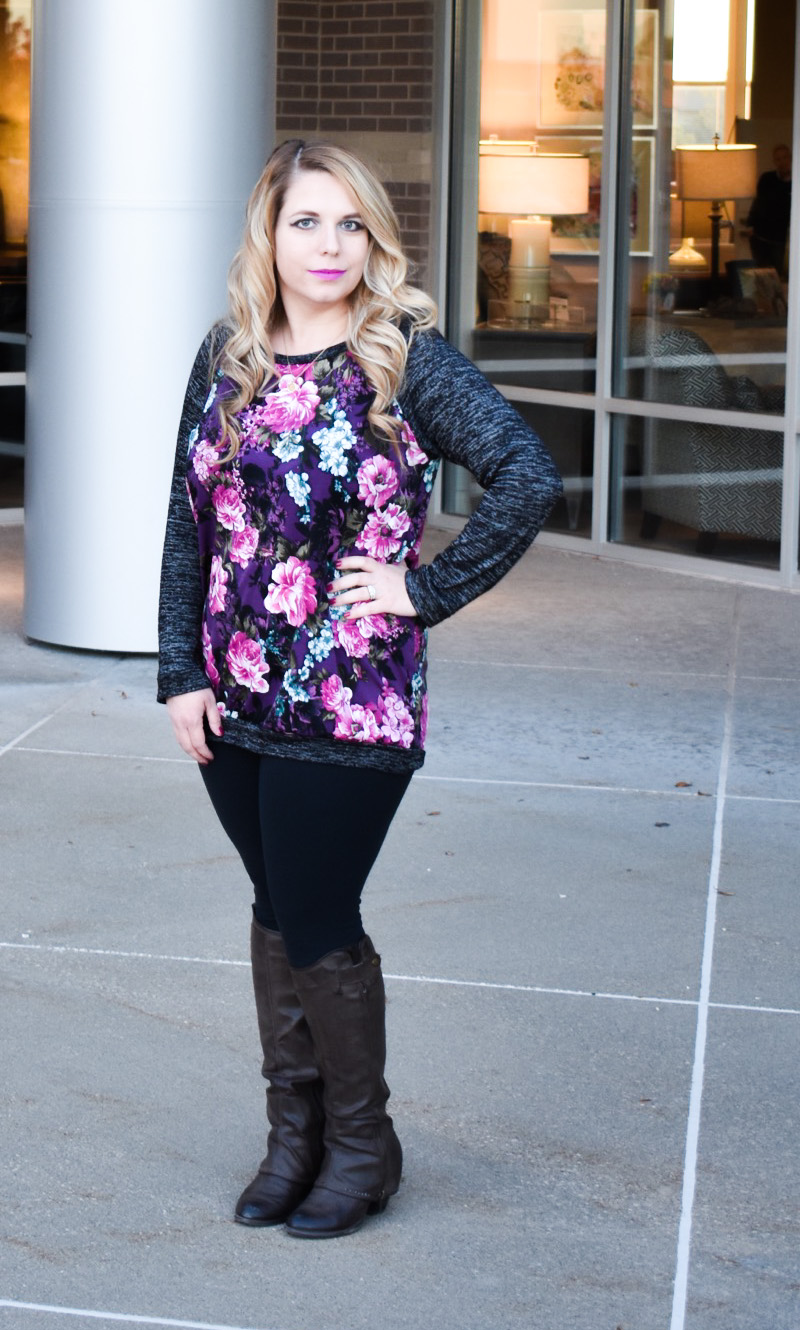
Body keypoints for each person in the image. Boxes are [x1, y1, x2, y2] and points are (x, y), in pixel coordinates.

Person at [156, 141, 562, 1239]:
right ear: (268, 235)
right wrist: (176, 671)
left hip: (350, 694)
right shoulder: (227, 352)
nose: (327, 246)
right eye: (305, 223)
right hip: (232, 691)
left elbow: (527, 474)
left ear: (373, 238)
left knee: (319, 910)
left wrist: (424, 591)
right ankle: (293, 1139)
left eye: (348, 225)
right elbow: (188, 521)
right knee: (272, 905)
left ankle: (363, 1149)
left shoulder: (403, 359)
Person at [744, 144, 791, 276]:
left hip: (780, 237)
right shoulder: (767, 179)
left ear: (790, 158)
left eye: (785, 158)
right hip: (760, 234)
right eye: (778, 159)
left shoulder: (794, 183)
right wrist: (750, 223)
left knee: (777, 271)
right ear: (774, 161)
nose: (782, 162)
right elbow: (758, 201)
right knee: (761, 271)